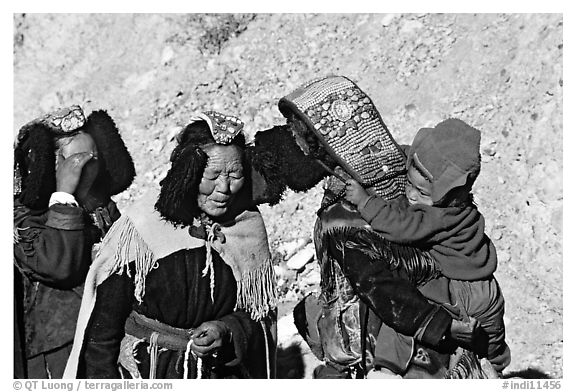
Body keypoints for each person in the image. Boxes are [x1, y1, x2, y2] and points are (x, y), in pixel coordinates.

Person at [64, 111, 330, 379]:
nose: (224, 188)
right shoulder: (142, 227)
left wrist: (227, 330)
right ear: (188, 173)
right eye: (212, 176)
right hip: (150, 371)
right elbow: (103, 329)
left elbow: (259, 316)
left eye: (235, 174)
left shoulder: (246, 225)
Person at [279, 75, 499, 379]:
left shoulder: (346, 211)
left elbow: (379, 286)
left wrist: (437, 325)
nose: (302, 152)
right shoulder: (402, 168)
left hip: (411, 327)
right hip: (454, 303)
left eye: (305, 143)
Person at [343, 118, 510, 376]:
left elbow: (401, 226)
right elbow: (414, 158)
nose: (410, 195)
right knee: (492, 342)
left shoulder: (440, 216)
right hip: (486, 287)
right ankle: (496, 365)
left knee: (408, 305)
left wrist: (365, 202)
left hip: (461, 289)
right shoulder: (459, 203)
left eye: (421, 192)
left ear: (448, 194)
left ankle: (387, 369)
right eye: (409, 184)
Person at [13, 105, 135, 378]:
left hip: (103, 337)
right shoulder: (21, 218)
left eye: (94, 158)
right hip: (56, 354)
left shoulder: (97, 203)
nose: (90, 168)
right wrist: (64, 197)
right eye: (78, 160)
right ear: (52, 164)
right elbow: (58, 265)